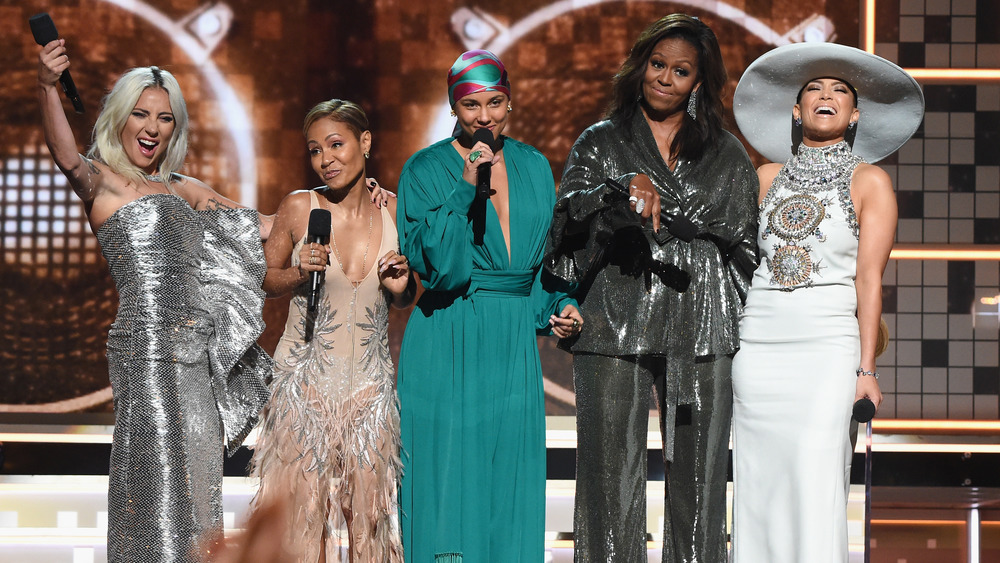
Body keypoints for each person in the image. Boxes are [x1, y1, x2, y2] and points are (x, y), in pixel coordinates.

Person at [36, 39, 273, 561]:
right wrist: (48, 86)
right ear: (120, 118)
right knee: (159, 500)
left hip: (198, 366)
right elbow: (65, 155)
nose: (151, 127)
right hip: (147, 360)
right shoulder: (106, 183)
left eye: (164, 118)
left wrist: (340, 202)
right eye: (140, 114)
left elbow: (264, 226)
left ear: (176, 127)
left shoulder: (184, 188)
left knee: (199, 494)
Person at [543, 14, 759, 562]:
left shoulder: (728, 154)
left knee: (701, 477)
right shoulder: (601, 142)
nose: (664, 78)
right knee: (607, 474)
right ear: (639, 66)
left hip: (702, 322)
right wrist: (620, 193)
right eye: (656, 64)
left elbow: (746, 251)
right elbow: (566, 224)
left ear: (699, 82)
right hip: (614, 316)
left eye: (680, 71)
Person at [729, 42, 924, 561]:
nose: (825, 95)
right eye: (813, 88)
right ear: (796, 110)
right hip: (758, 346)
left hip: (826, 349)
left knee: (816, 481)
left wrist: (868, 370)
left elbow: (869, 280)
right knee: (757, 483)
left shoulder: (871, 182)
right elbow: (738, 265)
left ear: (855, 114)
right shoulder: (765, 178)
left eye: (840, 90)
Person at [395, 49, 582, 562]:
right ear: (454, 109)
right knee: (450, 481)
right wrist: (464, 188)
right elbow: (439, 268)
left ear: (511, 102)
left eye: (495, 103)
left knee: (509, 478)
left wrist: (556, 306)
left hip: (510, 346)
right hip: (449, 334)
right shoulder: (427, 169)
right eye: (471, 106)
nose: (484, 118)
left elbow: (534, 269)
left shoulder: (535, 167)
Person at [249, 99, 413, 562]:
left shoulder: (396, 211)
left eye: (336, 144)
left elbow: (405, 295)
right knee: (304, 531)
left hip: (370, 392)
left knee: (370, 528)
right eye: (316, 149)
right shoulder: (301, 207)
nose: (327, 158)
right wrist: (299, 270)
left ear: (365, 142)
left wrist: (402, 286)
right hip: (305, 389)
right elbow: (265, 278)